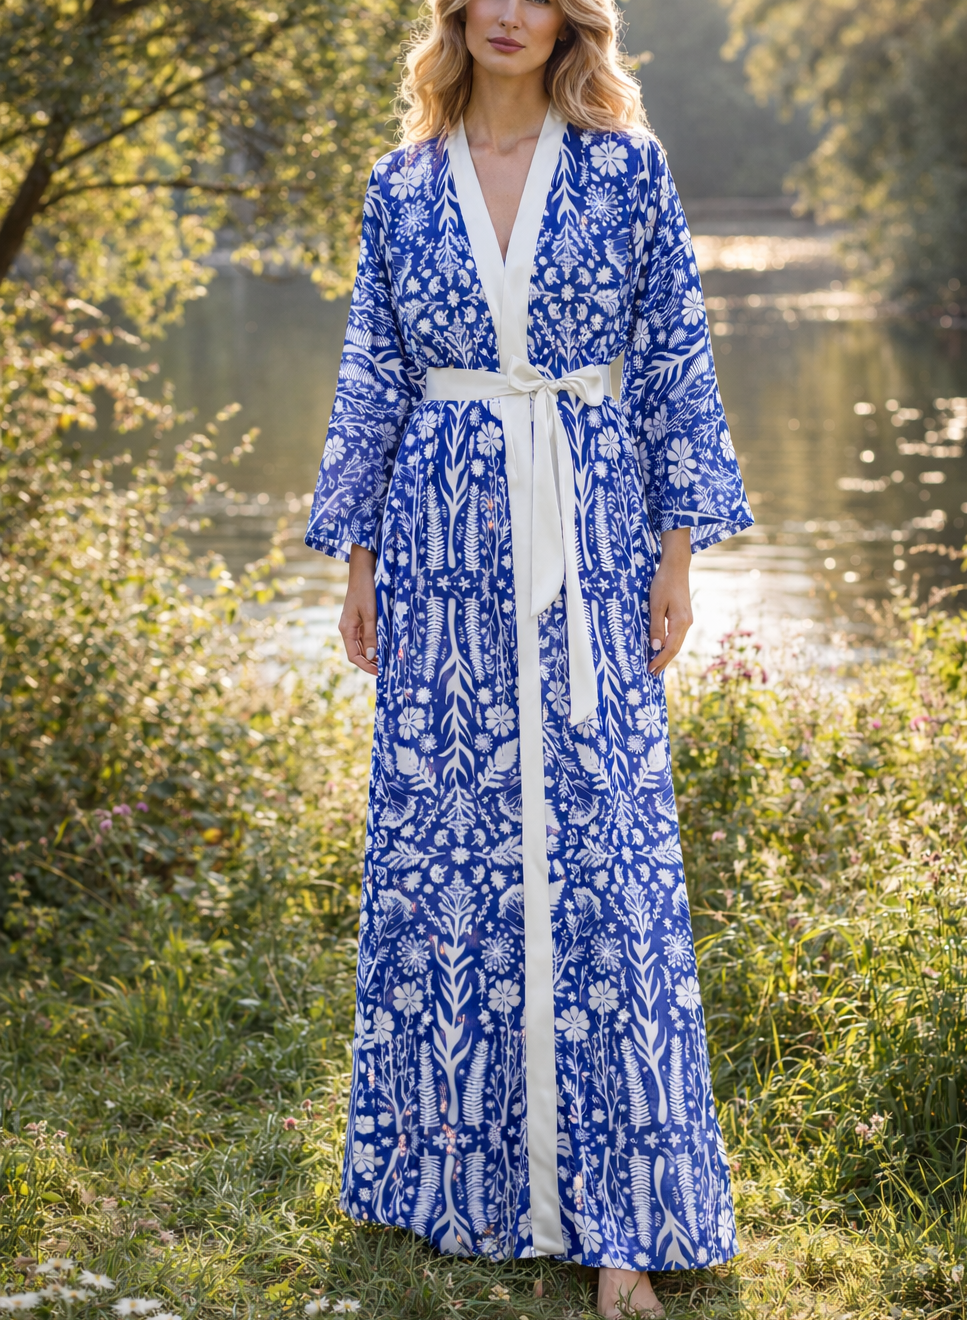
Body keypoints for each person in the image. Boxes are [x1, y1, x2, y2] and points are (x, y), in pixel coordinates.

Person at [304, 0, 752, 1309]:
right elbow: (371, 374)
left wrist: (675, 555)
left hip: (592, 529)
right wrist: (360, 561)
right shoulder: (402, 183)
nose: (507, 14)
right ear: (453, 12)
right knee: (452, 846)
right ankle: (461, 1184)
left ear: (571, 17)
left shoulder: (626, 169)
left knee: (603, 852)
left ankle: (625, 1223)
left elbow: (673, 358)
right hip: (437, 544)